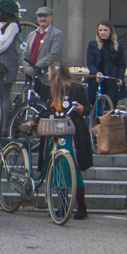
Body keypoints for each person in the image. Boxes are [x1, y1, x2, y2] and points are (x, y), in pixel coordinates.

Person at [46, 63, 95, 219]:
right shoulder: (52, 90)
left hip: (71, 133)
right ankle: (63, 204)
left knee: (73, 169)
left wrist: (81, 109)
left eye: (48, 71)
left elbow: (87, 108)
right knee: (59, 170)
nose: (47, 74)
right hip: (56, 133)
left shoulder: (75, 88)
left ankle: (81, 206)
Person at [0, 0, 24, 132]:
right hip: (1, 61)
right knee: (0, 94)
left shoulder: (13, 26)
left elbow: (2, 45)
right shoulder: (6, 26)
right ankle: (0, 123)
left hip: (8, 61)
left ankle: (4, 125)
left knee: (5, 95)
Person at [85, 21, 127, 106]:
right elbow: (90, 63)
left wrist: (120, 78)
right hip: (97, 80)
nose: (103, 32)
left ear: (110, 31)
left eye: (105, 30)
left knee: (111, 106)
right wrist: (96, 72)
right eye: (100, 30)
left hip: (112, 79)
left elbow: (121, 64)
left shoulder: (117, 44)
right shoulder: (92, 44)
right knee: (95, 106)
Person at [19, 6, 63, 81]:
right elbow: (25, 53)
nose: (42, 18)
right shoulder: (32, 34)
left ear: (51, 17)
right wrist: (27, 68)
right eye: (40, 16)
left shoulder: (57, 34)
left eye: (45, 16)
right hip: (30, 76)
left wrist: (35, 67)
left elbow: (54, 54)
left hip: (46, 76)